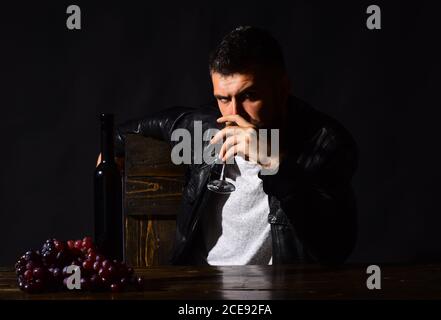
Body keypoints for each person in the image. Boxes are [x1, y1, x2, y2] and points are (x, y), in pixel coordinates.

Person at [110, 26, 358, 266]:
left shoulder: (325, 143)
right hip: (200, 288)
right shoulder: (207, 128)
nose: (234, 113)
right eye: (223, 99)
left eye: (249, 96)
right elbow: (151, 125)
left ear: (282, 89)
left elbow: (333, 248)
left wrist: (275, 163)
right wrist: (112, 149)